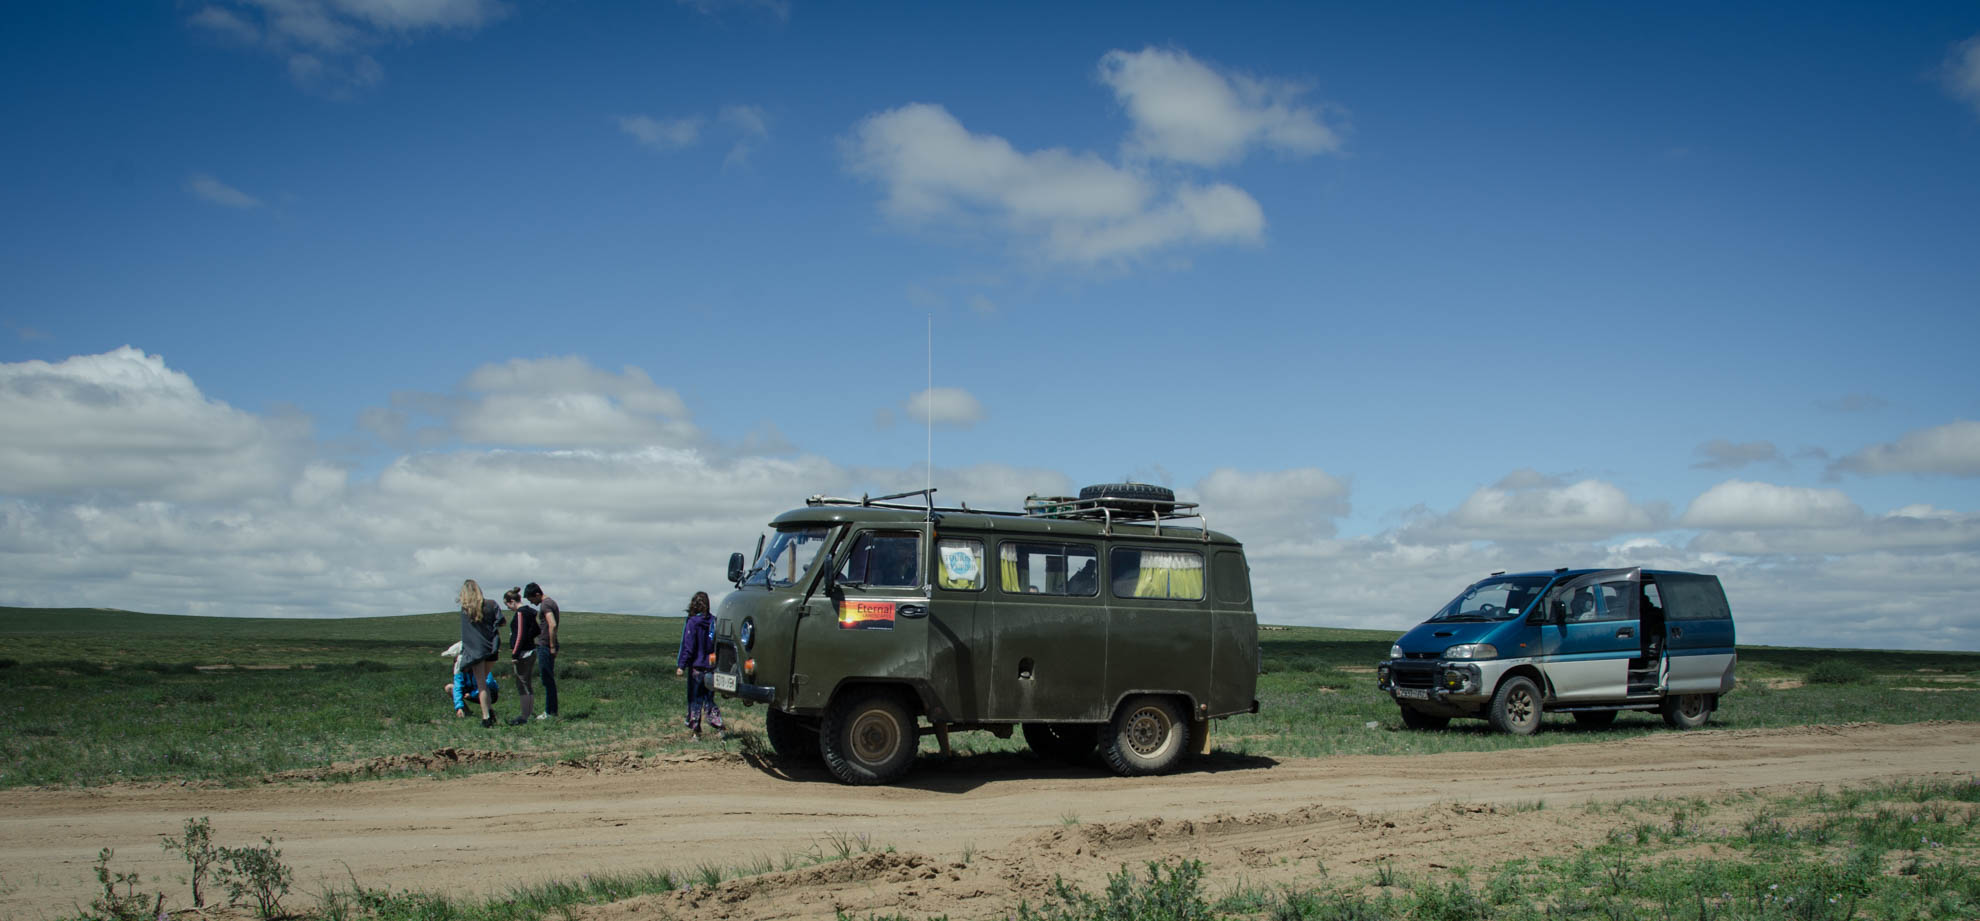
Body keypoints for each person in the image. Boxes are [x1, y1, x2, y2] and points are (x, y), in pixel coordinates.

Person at [674, 591, 724, 737]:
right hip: (711, 667)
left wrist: (681, 666)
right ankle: (719, 726)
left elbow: (688, 647)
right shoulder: (714, 621)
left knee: (695, 699)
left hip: (696, 667)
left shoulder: (692, 622)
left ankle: (696, 732)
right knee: (709, 698)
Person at [458, 579, 503, 727]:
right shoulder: (491, 604)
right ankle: (490, 711)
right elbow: (501, 622)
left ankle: (486, 717)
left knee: (481, 684)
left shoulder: (466, 610)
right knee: (483, 681)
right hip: (491, 648)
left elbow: (467, 635)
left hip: (476, 651)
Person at [501, 587, 540, 726]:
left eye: (507, 605)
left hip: (523, 653)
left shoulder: (520, 613)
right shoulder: (530, 612)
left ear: (512, 601)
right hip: (531, 650)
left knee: (522, 684)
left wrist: (515, 653)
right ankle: (528, 713)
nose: (508, 608)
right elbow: (536, 629)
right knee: (527, 683)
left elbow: (520, 634)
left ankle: (525, 716)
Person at [524, 582, 560, 720]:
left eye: (531, 599)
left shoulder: (545, 605)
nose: (532, 603)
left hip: (545, 645)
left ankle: (550, 712)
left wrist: (551, 645)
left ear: (537, 594)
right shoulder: (551, 602)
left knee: (547, 679)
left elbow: (552, 624)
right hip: (546, 645)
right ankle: (552, 711)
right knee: (548, 679)